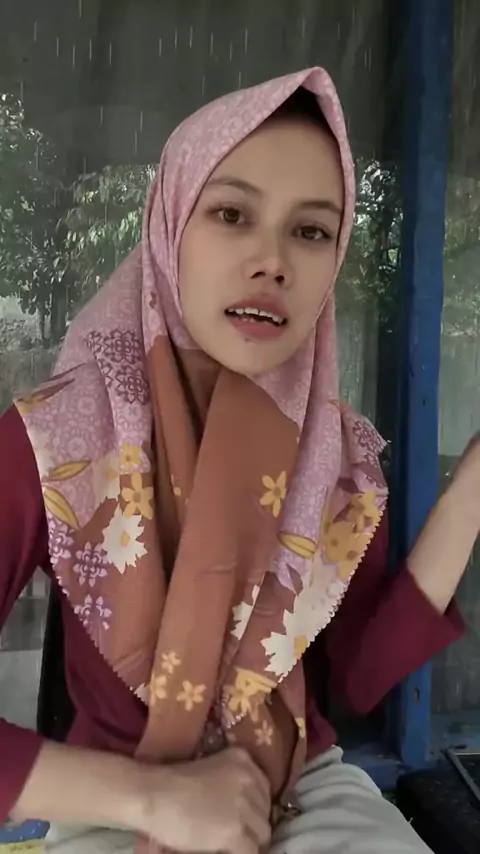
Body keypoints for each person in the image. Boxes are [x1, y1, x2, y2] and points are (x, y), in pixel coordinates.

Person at [0, 66, 478, 854]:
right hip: (113, 802)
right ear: (169, 227)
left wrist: (473, 489)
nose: (273, 261)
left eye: (312, 231)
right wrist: (155, 798)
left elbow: (358, 676)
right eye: (231, 214)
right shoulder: (59, 442)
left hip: (303, 791)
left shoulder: (332, 457)